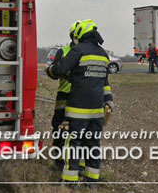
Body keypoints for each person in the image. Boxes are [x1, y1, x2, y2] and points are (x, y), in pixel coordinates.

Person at [47, 19, 113, 187]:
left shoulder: (78, 50)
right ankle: (91, 182)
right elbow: (104, 82)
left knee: (73, 142)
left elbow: (60, 70)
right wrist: (109, 100)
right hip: (97, 110)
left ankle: (70, 181)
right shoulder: (103, 53)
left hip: (78, 108)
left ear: (80, 34)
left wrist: (51, 70)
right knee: (92, 143)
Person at [46, 29, 75, 170]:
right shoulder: (63, 51)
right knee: (59, 127)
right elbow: (55, 72)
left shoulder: (84, 52)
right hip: (64, 94)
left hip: (79, 96)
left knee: (76, 129)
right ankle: (58, 160)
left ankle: (74, 161)